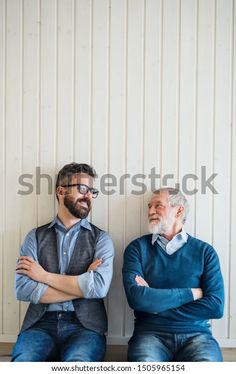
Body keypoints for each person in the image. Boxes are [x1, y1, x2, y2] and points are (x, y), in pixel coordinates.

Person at [12, 162, 114, 362]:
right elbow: (23, 289)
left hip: (85, 328)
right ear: (61, 191)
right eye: (83, 188)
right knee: (23, 364)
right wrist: (82, 283)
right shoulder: (35, 236)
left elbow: (99, 288)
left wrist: (43, 276)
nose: (89, 196)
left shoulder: (101, 239)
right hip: (40, 324)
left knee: (78, 365)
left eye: (92, 191)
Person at [122, 187, 224, 362]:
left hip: (197, 335)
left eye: (158, 205)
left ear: (179, 210)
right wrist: (191, 294)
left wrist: (153, 305)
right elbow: (137, 300)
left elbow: (215, 306)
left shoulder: (205, 252)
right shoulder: (137, 249)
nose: (150, 211)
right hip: (150, 335)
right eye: (149, 206)